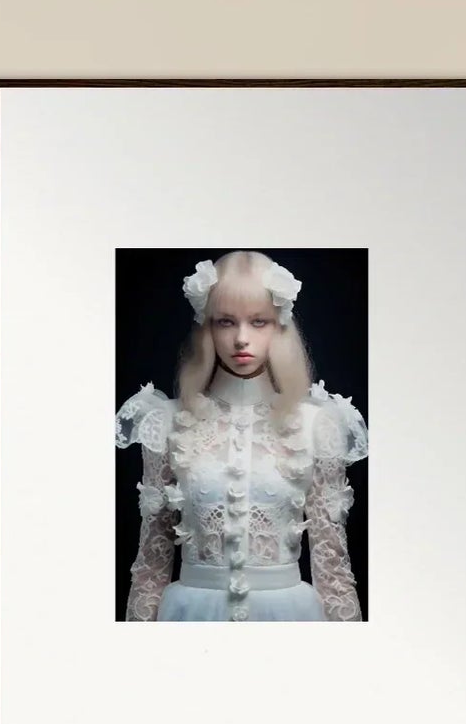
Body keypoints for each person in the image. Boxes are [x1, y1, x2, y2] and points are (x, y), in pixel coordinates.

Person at [116, 250, 367, 622]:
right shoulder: (166, 421)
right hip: (191, 617)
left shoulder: (319, 424)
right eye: (226, 322)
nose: (241, 338)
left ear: (279, 325)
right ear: (207, 327)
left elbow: (333, 569)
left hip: (287, 618)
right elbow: (152, 563)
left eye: (259, 321)